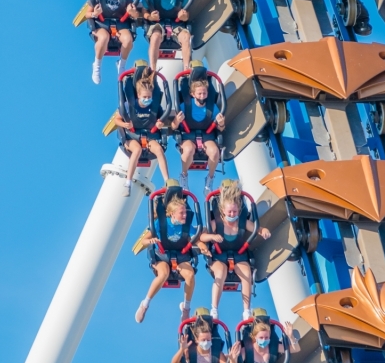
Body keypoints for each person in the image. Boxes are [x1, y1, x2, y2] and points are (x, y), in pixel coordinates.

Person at [199, 179, 270, 320]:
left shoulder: (242, 221)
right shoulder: (217, 222)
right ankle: (214, 309)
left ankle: (246, 311)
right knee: (221, 272)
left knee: (246, 274)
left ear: (238, 210)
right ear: (223, 211)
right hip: (219, 255)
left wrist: (265, 231)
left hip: (239, 254)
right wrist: (213, 236)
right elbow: (202, 237)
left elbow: (258, 229)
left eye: (234, 211)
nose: (232, 214)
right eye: (229, 212)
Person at [134, 185, 196, 320]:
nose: (185, 215)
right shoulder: (160, 223)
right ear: (172, 213)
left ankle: (186, 308)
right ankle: (145, 304)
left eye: (185, 212)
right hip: (162, 255)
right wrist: (150, 242)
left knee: (190, 276)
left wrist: (203, 245)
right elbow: (144, 240)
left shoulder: (186, 224)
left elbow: (196, 238)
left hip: (181, 255)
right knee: (163, 274)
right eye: (182, 213)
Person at [115, 65, 170, 197]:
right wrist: (125, 124)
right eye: (144, 96)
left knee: (159, 150)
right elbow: (117, 120)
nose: (147, 99)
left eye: (149, 96)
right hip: (131, 136)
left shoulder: (154, 106)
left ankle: (167, 181)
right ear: (138, 95)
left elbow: (162, 119)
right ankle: (127, 183)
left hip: (149, 134)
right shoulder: (129, 105)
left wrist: (160, 123)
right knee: (137, 150)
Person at [171, 68, 224, 191]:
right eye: (199, 94)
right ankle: (184, 176)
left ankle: (209, 179)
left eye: (204, 93)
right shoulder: (185, 106)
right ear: (193, 94)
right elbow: (173, 127)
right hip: (188, 134)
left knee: (215, 152)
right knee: (189, 149)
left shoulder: (212, 107)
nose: (202, 96)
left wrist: (221, 123)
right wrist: (177, 121)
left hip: (207, 134)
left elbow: (221, 127)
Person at [86, 0, 138, 83]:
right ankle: (97, 65)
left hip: (120, 22)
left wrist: (133, 12)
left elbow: (135, 15)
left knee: (128, 39)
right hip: (102, 23)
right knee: (103, 38)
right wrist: (95, 14)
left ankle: (122, 64)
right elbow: (87, 14)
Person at [142, 0, 192, 70]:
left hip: (176, 23)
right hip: (158, 23)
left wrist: (184, 16)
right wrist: (150, 16)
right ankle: (153, 69)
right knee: (155, 37)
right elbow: (143, 11)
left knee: (186, 37)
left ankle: (186, 69)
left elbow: (187, 13)